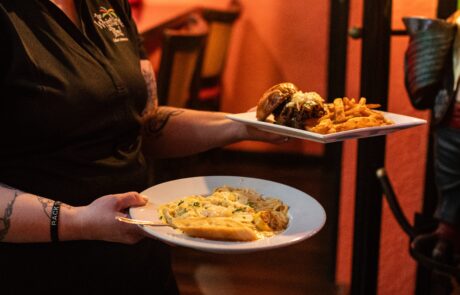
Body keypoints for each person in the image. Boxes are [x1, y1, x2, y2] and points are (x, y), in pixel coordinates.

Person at [0, 0, 287, 294]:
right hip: (44, 269)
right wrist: (79, 222)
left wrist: (240, 126)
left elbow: (142, 125)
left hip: (140, 255)